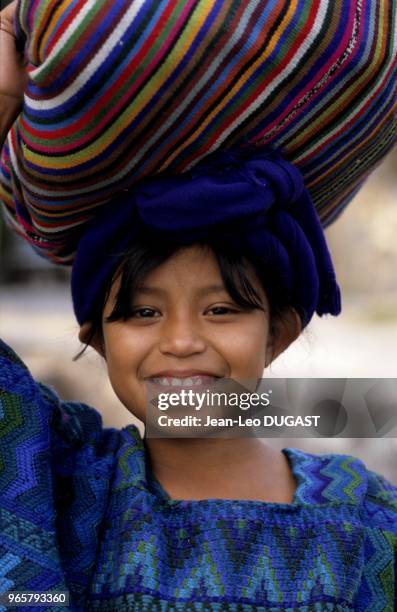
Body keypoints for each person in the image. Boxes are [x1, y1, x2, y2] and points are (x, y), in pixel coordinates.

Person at [1, 3, 396, 610]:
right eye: (141, 312)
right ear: (98, 338)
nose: (181, 341)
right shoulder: (64, 491)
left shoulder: (368, 523)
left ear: (280, 332)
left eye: (221, 310)